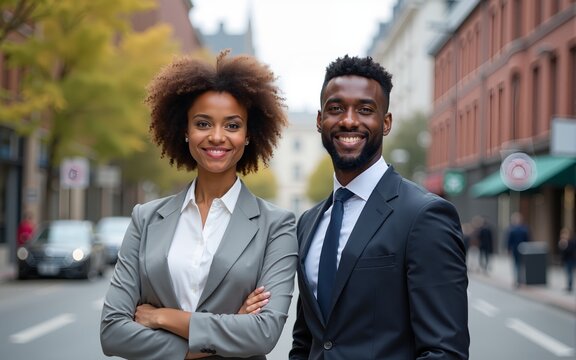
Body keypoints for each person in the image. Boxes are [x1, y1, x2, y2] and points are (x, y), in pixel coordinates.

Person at [100, 50, 298, 360]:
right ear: (185, 131)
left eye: (232, 126)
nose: (217, 137)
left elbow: (263, 334)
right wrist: (222, 336)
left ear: (248, 135)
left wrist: (163, 318)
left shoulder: (276, 225)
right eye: (203, 123)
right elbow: (113, 333)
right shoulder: (146, 218)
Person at [290, 55, 469, 360]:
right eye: (336, 109)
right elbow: (307, 341)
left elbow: (444, 352)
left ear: (385, 123)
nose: (348, 120)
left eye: (365, 109)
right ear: (320, 121)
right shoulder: (309, 222)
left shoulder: (424, 216)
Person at [506, 212, 530, 287]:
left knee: (516, 265)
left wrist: (508, 249)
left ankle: (517, 280)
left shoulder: (512, 229)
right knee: (521, 265)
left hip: (516, 250)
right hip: (522, 249)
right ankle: (520, 280)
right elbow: (528, 240)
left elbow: (509, 241)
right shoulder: (524, 229)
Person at [558, 227, 576, 293]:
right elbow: (562, 253)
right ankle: (568, 285)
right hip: (566, 260)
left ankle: (570, 286)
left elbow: (571, 251)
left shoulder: (572, 241)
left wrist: (565, 246)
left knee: (570, 273)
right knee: (567, 273)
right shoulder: (562, 242)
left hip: (571, 259)